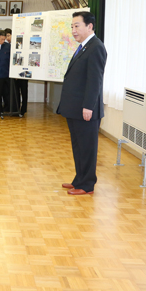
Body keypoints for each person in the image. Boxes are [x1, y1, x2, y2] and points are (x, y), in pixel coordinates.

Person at [57, 12, 107, 195]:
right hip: (75, 108)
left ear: (90, 26)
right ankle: (79, 179)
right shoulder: (84, 47)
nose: (73, 30)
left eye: (77, 26)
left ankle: (86, 185)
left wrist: (88, 106)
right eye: (72, 26)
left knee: (87, 148)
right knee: (79, 146)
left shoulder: (96, 47)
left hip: (85, 109)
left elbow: (95, 81)